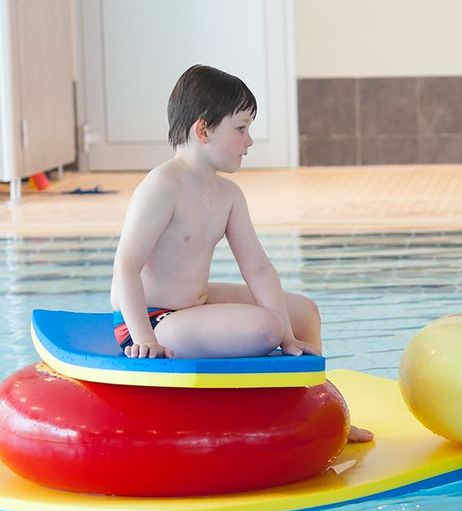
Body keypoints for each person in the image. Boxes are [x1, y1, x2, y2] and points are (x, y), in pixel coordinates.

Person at [109, 64, 373, 442]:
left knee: (302, 312)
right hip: (153, 316)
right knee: (264, 327)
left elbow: (259, 268)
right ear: (203, 130)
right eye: (241, 128)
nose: (249, 141)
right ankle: (279, 409)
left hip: (194, 304)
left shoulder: (228, 195)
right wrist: (143, 338)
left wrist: (289, 335)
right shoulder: (162, 186)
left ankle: (325, 412)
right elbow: (126, 265)